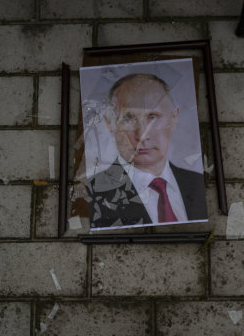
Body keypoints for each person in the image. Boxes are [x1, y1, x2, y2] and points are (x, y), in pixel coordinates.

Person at [86, 73, 207, 229]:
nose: (142, 135)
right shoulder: (91, 195)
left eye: (153, 117)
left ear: (174, 118)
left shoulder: (199, 185)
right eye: (128, 118)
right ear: (110, 125)